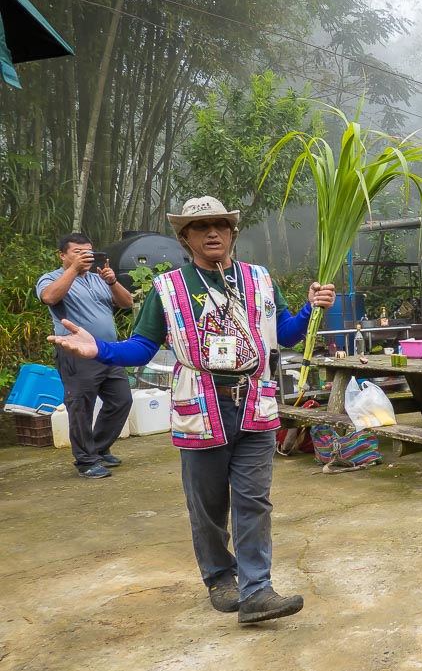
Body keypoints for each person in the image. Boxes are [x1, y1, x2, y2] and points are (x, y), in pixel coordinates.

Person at [47, 196, 336, 624]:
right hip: (201, 404)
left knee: (254, 501)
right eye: (201, 227)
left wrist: (313, 308)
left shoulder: (259, 280)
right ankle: (221, 576)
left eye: (221, 224)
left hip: (254, 403)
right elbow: (143, 347)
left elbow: (285, 334)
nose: (213, 232)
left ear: (233, 232)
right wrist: (100, 349)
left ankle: (257, 590)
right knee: (208, 504)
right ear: (186, 237)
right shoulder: (168, 290)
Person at [38, 234, 135, 479]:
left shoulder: (98, 279)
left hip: (107, 351)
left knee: (121, 400)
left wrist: (112, 282)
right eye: (78, 251)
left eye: (88, 252)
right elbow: (49, 297)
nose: (85, 256)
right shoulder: (51, 278)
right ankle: (85, 460)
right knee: (81, 406)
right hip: (75, 353)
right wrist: (74, 270)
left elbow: (127, 303)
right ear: (63, 255)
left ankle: (99, 449)